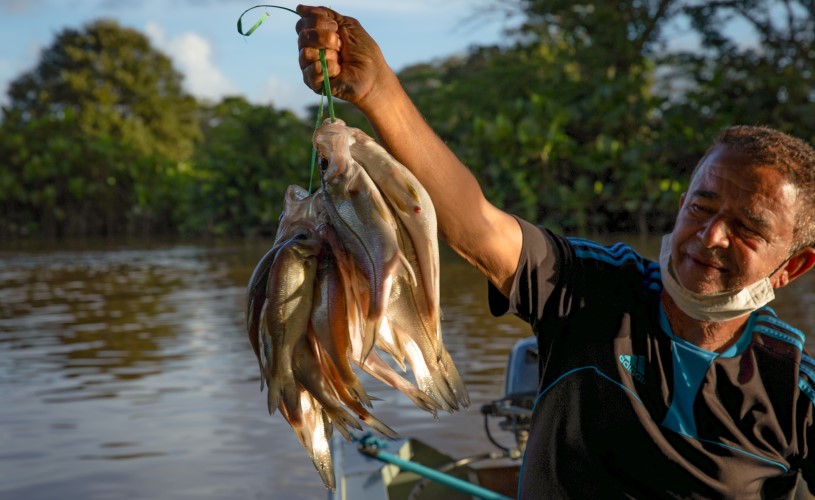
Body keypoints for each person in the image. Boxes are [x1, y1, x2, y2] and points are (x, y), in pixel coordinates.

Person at [295, 5, 815, 498]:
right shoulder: (592, 289)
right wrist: (378, 90)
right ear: (680, 207)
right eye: (701, 209)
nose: (710, 237)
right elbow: (476, 226)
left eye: (747, 228)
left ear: (793, 266)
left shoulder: (795, 390)